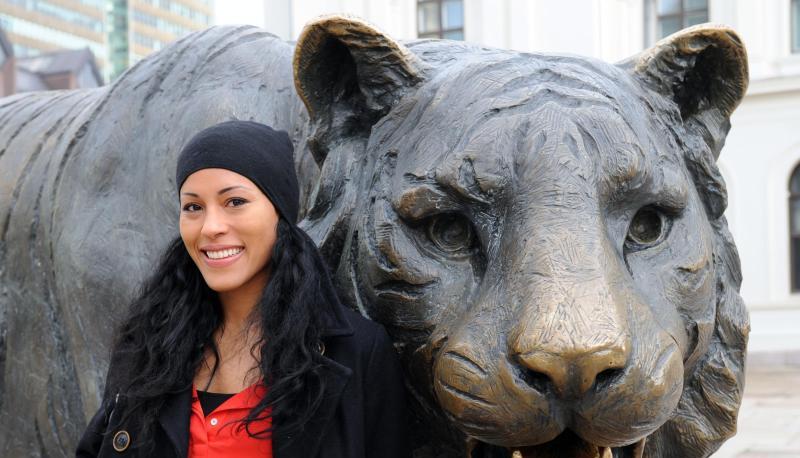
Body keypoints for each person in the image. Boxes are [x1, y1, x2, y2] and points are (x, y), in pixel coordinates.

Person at [75, 121, 410, 458]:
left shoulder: (357, 351)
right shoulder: (147, 344)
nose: (211, 227)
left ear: (279, 213)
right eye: (193, 207)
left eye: (234, 201)